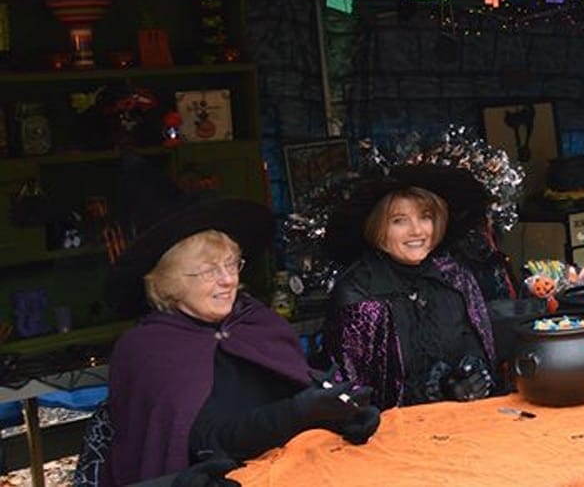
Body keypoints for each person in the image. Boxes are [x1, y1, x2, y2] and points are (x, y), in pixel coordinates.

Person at [99, 199, 380, 487]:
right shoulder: (147, 348)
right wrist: (297, 413)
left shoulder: (258, 322)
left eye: (232, 265)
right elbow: (206, 440)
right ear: (168, 282)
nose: (228, 280)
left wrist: (342, 415)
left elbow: (298, 388)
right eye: (209, 271)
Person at [321, 165, 501, 409]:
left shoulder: (454, 278)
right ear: (378, 229)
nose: (417, 231)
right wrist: (438, 390)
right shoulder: (360, 297)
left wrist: (472, 380)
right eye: (399, 221)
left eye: (425, 217)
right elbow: (355, 398)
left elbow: (478, 350)